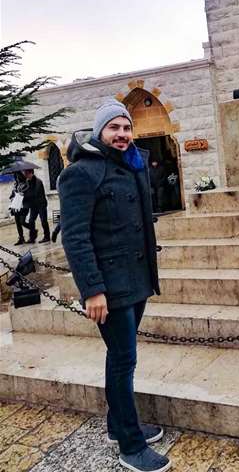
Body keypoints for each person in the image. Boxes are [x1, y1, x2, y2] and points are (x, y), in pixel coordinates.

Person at [58, 99, 170, 472]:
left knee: (120, 358)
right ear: (99, 132)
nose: (121, 135)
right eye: (114, 129)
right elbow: (75, 237)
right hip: (109, 286)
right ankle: (130, 445)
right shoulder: (82, 172)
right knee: (124, 361)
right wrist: (92, 289)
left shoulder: (130, 164)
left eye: (126, 128)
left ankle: (117, 424)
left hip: (135, 280)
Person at [22, 168, 50, 243]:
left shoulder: (38, 182)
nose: (25, 175)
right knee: (31, 221)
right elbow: (27, 192)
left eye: (26, 173)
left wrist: (27, 194)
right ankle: (32, 237)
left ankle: (47, 236)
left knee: (43, 221)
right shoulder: (27, 182)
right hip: (33, 205)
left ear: (31, 173)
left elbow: (35, 193)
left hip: (41, 204)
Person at [9, 172, 29, 245]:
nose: (16, 178)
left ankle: (32, 230)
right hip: (16, 205)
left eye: (17, 176)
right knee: (18, 223)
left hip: (23, 205)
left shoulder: (26, 184)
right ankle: (21, 238)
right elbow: (12, 195)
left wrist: (23, 194)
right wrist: (12, 198)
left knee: (22, 221)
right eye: (15, 177)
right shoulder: (15, 185)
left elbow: (28, 193)